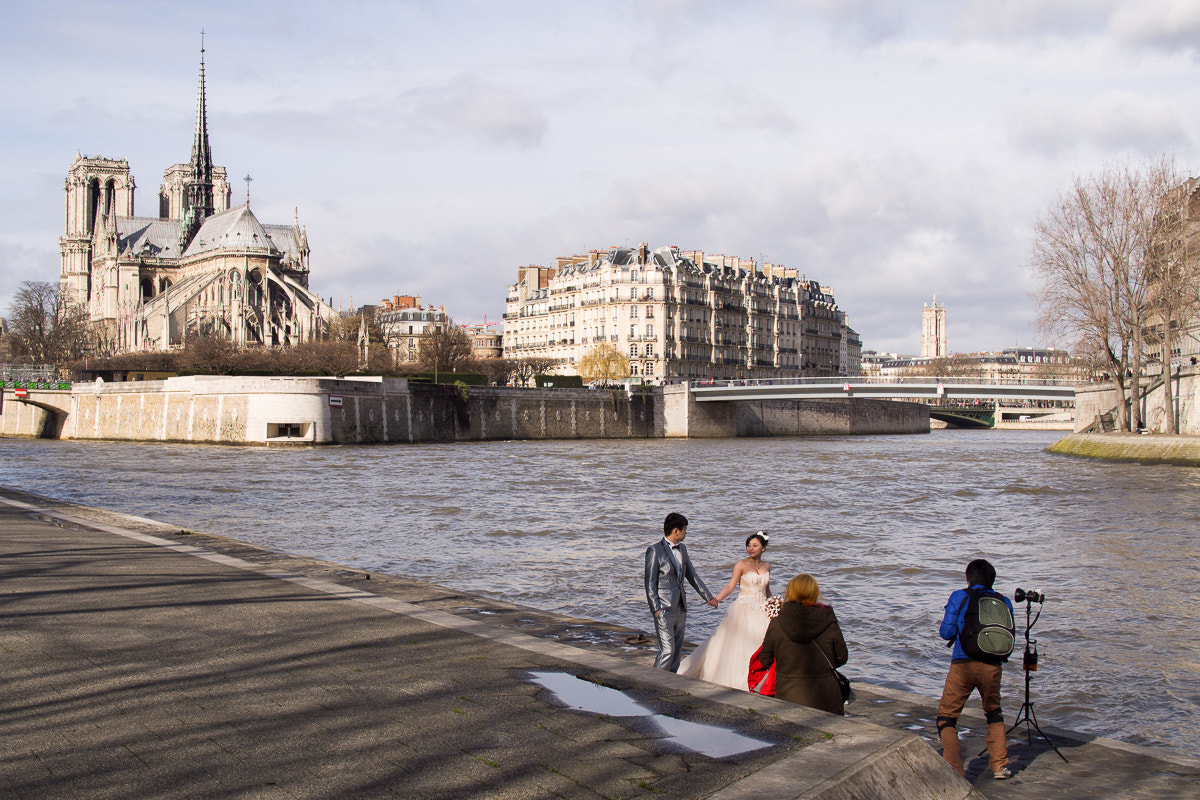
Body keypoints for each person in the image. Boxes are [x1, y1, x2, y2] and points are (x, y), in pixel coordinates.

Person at [937, 558, 1014, 780]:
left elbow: (946, 632)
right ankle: (1000, 766)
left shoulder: (959, 596)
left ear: (968, 579)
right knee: (994, 713)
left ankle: (954, 768)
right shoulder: (1004, 601)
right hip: (993, 666)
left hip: (963, 663)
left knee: (946, 718)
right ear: (992, 580)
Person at [678, 532, 772, 689]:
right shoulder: (741, 564)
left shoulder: (767, 566)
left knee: (763, 641)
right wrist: (717, 599)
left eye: (755, 546)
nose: (751, 548)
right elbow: (731, 585)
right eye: (748, 545)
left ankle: (763, 677)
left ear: (763, 548)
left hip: (762, 608)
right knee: (742, 643)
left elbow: (767, 590)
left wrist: (774, 605)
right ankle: (742, 677)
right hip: (744, 608)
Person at [756, 573, 848, 715]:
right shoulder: (828, 619)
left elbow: (765, 660)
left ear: (790, 592)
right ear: (815, 593)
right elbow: (842, 658)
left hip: (788, 695)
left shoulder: (777, 622)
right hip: (827, 698)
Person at [644, 512, 718, 671]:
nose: (686, 533)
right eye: (685, 530)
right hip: (663, 608)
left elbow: (692, 576)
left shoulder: (683, 549)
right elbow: (650, 582)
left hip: (681, 606)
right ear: (676, 531)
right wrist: (655, 608)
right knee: (667, 651)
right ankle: (652, 684)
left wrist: (708, 597)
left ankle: (670, 685)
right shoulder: (654, 550)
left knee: (677, 652)